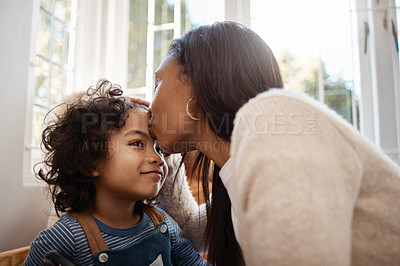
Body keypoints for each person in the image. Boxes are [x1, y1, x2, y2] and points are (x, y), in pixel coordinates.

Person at [132, 21, 400, 266]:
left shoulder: (273, 119)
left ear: (197, 86)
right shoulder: (239, 172)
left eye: (157, 83)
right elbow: (189, 232)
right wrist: (157, 149)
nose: (150, 103)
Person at [24, 80, 209, 266]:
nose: (158, 157)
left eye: (158, 148)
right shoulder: (61, 239)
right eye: (137, 143)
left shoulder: (164, 225)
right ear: (89, 164)